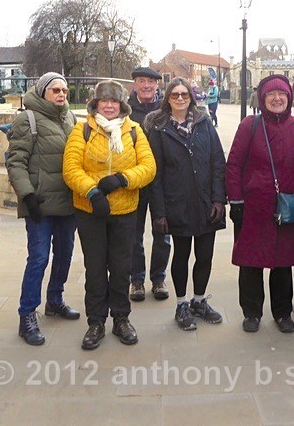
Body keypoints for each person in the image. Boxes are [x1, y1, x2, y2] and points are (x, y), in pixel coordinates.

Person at [63, 80, 156, 350]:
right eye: (103, 100)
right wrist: (92, 192)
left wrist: (123, 179)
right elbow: (71, 168)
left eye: (113, 101)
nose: (108, 105)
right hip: (90, 211)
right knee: (94, 267)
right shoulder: (82, 130)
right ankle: (95, 321)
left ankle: (121, 318)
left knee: (120, 267)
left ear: (121, 104)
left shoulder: (134, 131)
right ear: (95, 104)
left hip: (125, 210)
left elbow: (149, 167)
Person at [226, 74, 294, 334]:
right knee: (251, 262)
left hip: (285, 207)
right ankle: (251, 312)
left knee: (283, 263)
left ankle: (282, 312)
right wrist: (237, 200)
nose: (277, 99)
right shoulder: (249, 125)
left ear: (289, 98)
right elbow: (233, 165)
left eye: (282, 95)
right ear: (262, 99)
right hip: (254, 206)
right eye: (271, 95)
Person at [145, 77, 226, 330]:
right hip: (176, 204)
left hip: (205, 203)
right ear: (167, 98)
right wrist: (158, 212)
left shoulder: (204, 124)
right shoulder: (158, 129)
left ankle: (199, 300)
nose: (180, 99)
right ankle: (181, 304)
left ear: (191, 98)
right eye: (174, 95)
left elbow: (217, 162)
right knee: (181, 255)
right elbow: (154, 174)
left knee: (205, 256)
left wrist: (218, 199)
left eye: (184, 95)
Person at [7, 72, 79, 346]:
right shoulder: (28, 119)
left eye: (64, 90)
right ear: (42, 92)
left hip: (68, 203)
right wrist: (27, 196)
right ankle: (27, 315)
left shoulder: (70, 119)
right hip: (40, 204)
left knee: (65, 254)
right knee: (38, 258)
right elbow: (16, 161)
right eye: (55, 90)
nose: (61, 94)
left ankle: (55, 299)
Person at [128, 66, 171, 303]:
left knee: (162, 231)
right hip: (135, 181)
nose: (146, 86)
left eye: (151, 82)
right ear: (134, 84)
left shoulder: (166, 110)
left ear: (157, 85)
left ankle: (158, 278)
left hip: (162, 182)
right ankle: (136, 279)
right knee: (133, 234)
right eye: (141, 81)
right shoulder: (125, 111)